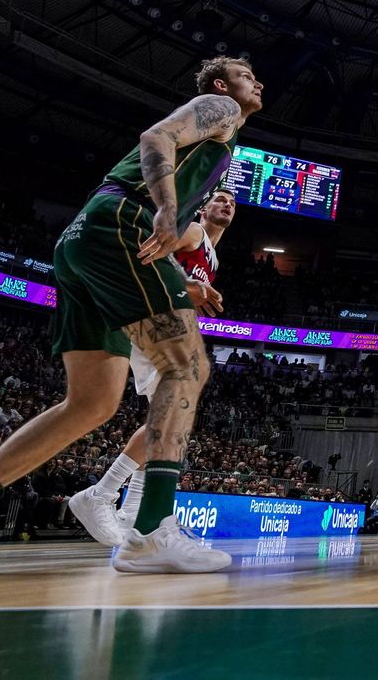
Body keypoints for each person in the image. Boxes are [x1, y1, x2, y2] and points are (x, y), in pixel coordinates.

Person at [0, 56, 262, 576]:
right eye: (246, 76)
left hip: (82, 241)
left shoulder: (223, 142)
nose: (256, 82)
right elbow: (156, 137)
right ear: (222, 85)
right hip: (122, 222)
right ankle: (150, 532)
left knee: (89, 405)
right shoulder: (218, 107)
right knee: (187, 368)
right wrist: (165, 208)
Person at [69, 188, 236, 547]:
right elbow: (146, 250)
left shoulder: (213, 256)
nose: (228, 205)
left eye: (233, 203)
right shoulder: (193, 232)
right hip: (149, 317)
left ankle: (131, 513)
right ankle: (102, 493)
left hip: (163, 325)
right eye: (221, 199)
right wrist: (182, 283)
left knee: (165, 421)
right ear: (204, 207)